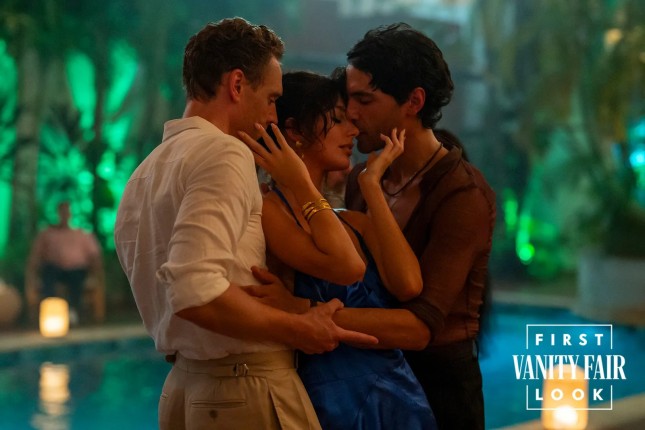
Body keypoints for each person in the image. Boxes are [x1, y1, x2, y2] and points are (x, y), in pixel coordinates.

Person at [114, 18, 376, 430]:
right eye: (271, 99)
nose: (273, 115)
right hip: (242, 386)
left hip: (183, 387)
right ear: (237, 85)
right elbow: (193, 288)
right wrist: (299, 327)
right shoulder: (225, 153)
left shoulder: (144, 172)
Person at [240, 71, 436, 430]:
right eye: (338, 119)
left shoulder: (354, 222)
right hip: (333, 405)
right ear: (295, 131)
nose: (353, 131)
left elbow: (409, 285)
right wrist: (299, 182)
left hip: (399, 398)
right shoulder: (268, 210)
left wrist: (371, 185)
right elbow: (346, 267)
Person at [342, 23, 497, 430]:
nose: (351, 112)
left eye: (364, 99)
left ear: (413, 101)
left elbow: (419, 327)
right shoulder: (364, 179)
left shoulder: (462, 194)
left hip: (439, 394)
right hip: (374, 385)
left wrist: (306, 317)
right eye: (348, 98)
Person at [25, 201, 105, 324]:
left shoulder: (82, 234)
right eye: (62, 212)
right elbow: (36, 255)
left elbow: (94, 255)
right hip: (54, 269)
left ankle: (73, 311)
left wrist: (97, 271)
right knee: (49, 275)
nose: (64, 214)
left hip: (76, 270)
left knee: (76, 278)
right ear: (57, 213)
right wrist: (32, 270)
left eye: (67, 212)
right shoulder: (47, 234)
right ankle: (51, 311)